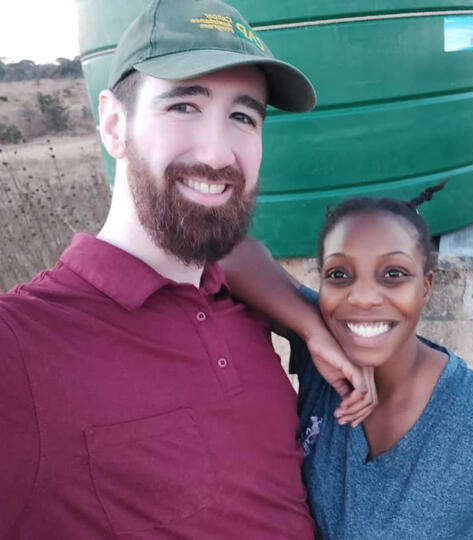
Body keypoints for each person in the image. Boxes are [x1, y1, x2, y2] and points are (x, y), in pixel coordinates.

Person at [0, 1, 375, 538]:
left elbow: (239, 253)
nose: (218, 154)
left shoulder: (240, 303)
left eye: (243, 117)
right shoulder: (21, 346)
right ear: (114, 124)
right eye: (182, 106)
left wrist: (309, 322)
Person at [223, 183, 473, 539]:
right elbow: (225, 251)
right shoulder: (325, 346)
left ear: (426, 286)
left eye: (393, 274)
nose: (362, 298)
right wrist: (311, 330)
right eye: (339, 274)